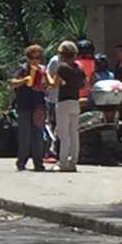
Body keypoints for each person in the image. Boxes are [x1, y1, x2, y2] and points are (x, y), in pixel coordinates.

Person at [10, 45, 48, 172]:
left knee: (38, 135)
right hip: (24, 105)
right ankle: (22, 162)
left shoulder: (42, 70)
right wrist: (24, 80)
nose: (35, 60)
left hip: (39, 106)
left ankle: (38, 162)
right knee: (25, 135)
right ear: (27, 57)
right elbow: (12, 82)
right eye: (32, 57)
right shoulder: (22, 69)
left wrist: (44, 86)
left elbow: (48, 86)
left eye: (37, 57)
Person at [48, 40, 84, 172]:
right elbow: (84, 84)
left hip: (63, 102)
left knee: (64, 135)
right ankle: (73, 162)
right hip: (75, 102)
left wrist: (47, 74)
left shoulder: (62, 67)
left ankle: (62, 162)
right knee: (74, 134)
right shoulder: (78, 68)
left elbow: (53, 84)